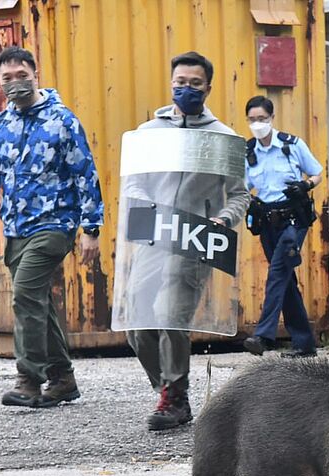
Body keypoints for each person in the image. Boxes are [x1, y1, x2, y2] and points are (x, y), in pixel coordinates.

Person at [0, 46, 103, 408]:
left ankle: (28, 379)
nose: (15, 83)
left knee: (25, 294)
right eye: (7, 78)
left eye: (21, 76)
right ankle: (63, 377)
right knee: (38, 302)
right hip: (16, 229)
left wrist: (91, 229)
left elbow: (85, 174)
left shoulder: (62, 121)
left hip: (55, 224)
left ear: (35, 74)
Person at [126, 51, 250, 431]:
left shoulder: (222, 139)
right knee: (137, 322)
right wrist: (138, 202)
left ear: (208, 88)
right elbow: (134, 180)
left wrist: (222, 219)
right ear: (171, 83)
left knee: (170, 316)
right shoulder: (149, 133)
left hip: (194, 238)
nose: (187, 89)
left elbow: (240, 195)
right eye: (180, 83)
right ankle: (167, 386)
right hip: (153, 235)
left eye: (195, 84)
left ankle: (174, 397)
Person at [241, 95, 323, 359]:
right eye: (253, 120)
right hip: (267, 222)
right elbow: (242, 188)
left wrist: (306, 185)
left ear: (272, 118)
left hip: (293, 221)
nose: (258, 124)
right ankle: (304, 344)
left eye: (262, 119)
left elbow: (317, 172)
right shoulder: (248, 152)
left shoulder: (291, 145)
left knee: (277, 272)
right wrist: (249, 202)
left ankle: (264, 335)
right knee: (286, 280)